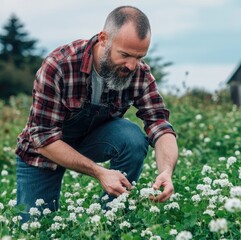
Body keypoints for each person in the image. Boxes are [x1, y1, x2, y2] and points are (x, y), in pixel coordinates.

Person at [15, 6, 178, 221]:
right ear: (103, 39)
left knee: (131, 137)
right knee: (35, 228)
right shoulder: (59, 66)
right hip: (45, 151)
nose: (131, 65)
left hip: (92, 141)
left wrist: (166, 171)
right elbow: (43, 137)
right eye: (125, 55)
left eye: (139, 57)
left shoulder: (139, 73)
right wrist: (99, 172)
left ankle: (111, 219)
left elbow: (160, 124)